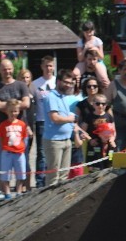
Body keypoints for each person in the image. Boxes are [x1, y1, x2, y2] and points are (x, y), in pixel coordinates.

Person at [43, 69, 78, 186]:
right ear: (58, 81)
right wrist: (70, 119)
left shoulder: (63, 97)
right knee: (53, 176)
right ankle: (49, 202)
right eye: (66, 82)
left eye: (70, 83)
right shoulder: (51, 97)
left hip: (66, 139)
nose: (68, 85)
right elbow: (55, 118)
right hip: (54, 141)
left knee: (64, 175)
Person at [31, 55, 55, 188]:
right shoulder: (35, 84)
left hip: (54, 121)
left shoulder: (57, 82)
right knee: (41, 152)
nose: (48, 68)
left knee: (53, 151)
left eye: (51, 65)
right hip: (41, 121)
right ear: (42, 67)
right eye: (46, 65)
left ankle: (51, 178)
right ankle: (40, 181)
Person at [0, 99, 29, 199]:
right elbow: (0, 139)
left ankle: (18, 192)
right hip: (6, 152)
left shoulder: (22, 124)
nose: (13, 113)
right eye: (11, 111)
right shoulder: (3, 125)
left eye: (15, 111)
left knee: (20, 174)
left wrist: (23, 149)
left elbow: (25, 138)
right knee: (5, 174)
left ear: (18, 111)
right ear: (6, 111)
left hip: (19, 153)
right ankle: (7, 194)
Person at [80, 93, 115, 171]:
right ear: (93, 104)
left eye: (103, 104)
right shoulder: (89, 116)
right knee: (93, 166)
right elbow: (83, 131)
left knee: (109, 162)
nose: (100, 106)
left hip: (107, 145)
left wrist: (112, 139)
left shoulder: (108, 116)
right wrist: (90, 140)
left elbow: (113, 130)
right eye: (98, 103)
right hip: (94, 144)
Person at [17, 69, 35, 192]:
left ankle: (27, 185)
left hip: (32, 125)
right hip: (23, 127)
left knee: (27, 157)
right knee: (22, 158)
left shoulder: (33, 91)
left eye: (28, 77)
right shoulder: (19, 93)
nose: (25, 80)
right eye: (23, 77)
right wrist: (26, 125)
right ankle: (23, 185)